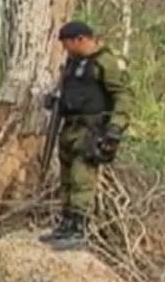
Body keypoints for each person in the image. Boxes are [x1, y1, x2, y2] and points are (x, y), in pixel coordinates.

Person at [40, 21, 135, 251]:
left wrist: (115, 128)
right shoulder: (73, 64)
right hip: (69, 128)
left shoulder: (106, 62)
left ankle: (78, 229)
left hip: (91, 130)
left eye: (67, 44)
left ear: (80, 39)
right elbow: (65, 91)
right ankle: (66, 224)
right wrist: (55, 100)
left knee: (82, 178)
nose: (65, 49)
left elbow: (123, 96)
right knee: (67, 179)